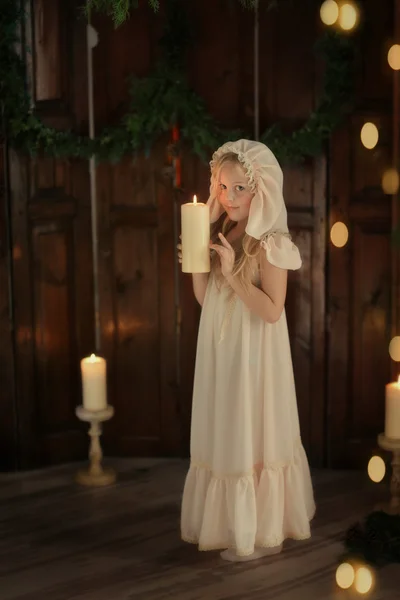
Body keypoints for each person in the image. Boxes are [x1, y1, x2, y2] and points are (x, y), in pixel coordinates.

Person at [178, 139, 315, 562]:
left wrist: (231, 275)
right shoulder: (224, 231)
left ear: (260, 190)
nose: (229, 197)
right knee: (227, 428)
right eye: (222, 186)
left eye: (240, 188)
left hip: (255, 357)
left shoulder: (269, 242)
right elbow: (208, 301)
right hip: (222, 352)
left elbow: (272, 312)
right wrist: (197, 265)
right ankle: (231, 524)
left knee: (250, 427)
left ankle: (256, 526)